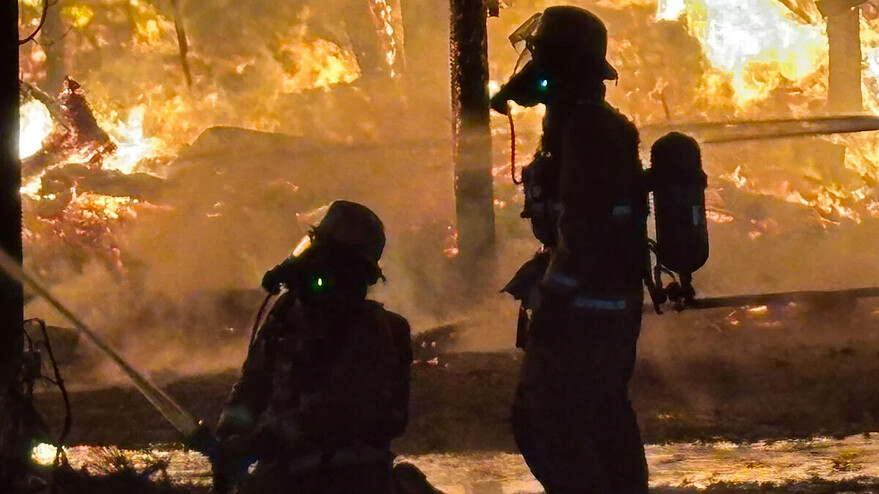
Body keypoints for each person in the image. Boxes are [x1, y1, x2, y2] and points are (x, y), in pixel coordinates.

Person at [492, 6, 649, 493]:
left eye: (542, 53)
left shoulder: (587, 131)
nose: (534, 62)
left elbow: (586, 225)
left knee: (550, 416)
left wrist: (555, 295)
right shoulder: (577, 123)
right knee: (595, 415)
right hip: (596, 301)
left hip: (587, 307)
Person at [212, 200, 413, 494]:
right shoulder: (286, 314)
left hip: (351, 476)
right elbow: (253, 385)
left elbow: (336, 410)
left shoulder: (377, 329)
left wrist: (257, 445)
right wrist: (230, 431)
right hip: (283, 470)